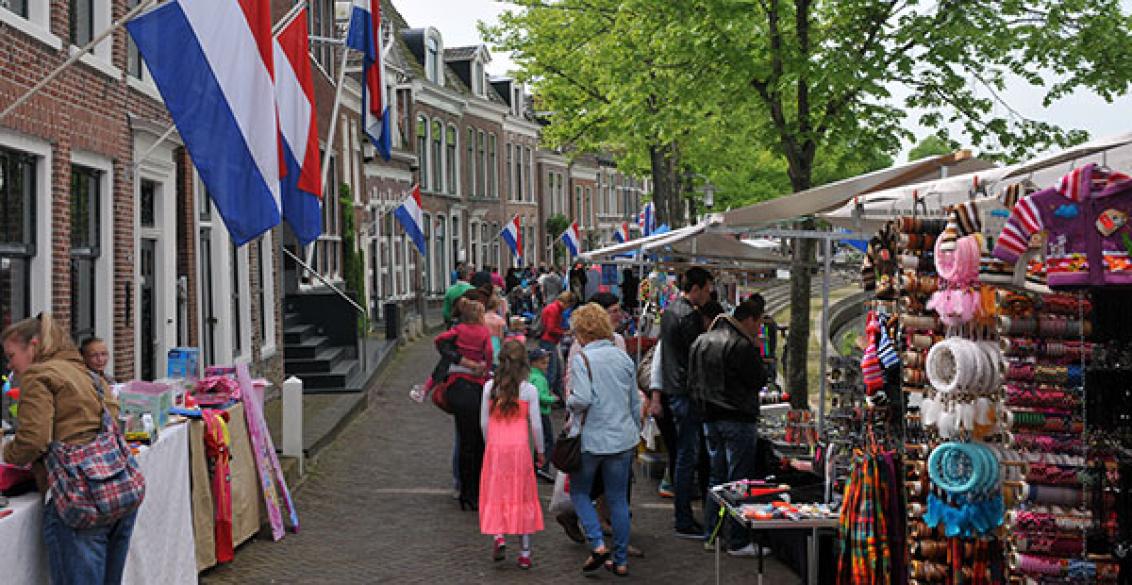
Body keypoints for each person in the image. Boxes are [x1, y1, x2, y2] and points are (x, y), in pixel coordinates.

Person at [2, 314, 139, 584]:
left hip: (80, 497)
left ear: (34, 345)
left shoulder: (38, 376)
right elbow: (112, 418)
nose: (10, 365)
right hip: (120, 492)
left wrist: (6, 451)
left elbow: (34, 439)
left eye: (11, 355)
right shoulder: (84, 371)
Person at [688, 296, 768, 557]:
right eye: (758, 324)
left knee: (717, 478)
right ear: (748, 320)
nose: (759, 330)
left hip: (710, 419)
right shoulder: (741, 345)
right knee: (738, 480)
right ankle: (737, 540)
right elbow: (758, 380)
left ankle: (712, 533)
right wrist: (756, 349)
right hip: (737, 418)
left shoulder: (701, 341)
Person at [566, 303, 641, 577]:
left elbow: (582, 399)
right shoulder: (623, 357)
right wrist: (635, 430)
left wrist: (570, 401)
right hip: (622, 437)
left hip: (592, 439)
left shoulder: (583, 359)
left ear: (583, 332)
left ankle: (597, 544)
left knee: (580, 492)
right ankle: (620, 559)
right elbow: (634, 401)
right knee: (618, 499)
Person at [655, 266, 713, 539]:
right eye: (708, 288)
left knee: (683, 455)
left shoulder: (670, 311)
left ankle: (684, 515)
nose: (710, 294)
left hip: (673, 390)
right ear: (698, 288)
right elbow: (697, 356)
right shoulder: (689, 316)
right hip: (687, 393)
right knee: (687, 456)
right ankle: (683, 518)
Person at [479, 341, 545, 569]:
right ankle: (525, 552)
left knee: (497, 493)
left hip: (497, 447)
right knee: (522, 495)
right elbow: (536, 424)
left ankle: (499, 535)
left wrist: (490, 444)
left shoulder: (490, 388)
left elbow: (484, 422)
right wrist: (540, 450)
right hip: (519, 448)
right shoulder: (529, 390)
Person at [435, 299, 494, 510]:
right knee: (478, 441)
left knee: (465, 439)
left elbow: (440, 341)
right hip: (475, 388)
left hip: (456, 388)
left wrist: (460, 360)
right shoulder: (484, 332)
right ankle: (475, 491)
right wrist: (481, 367)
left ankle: (464, 490)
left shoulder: (457, 330)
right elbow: (488, 354)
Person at [538, 291, 576, 398]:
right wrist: (564, 332)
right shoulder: (554, 310)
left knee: (556, 370)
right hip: (549, 341)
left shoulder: (554, 308)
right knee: (552, 371)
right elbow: (551, 329)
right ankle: (547, 395)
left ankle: (556, 395)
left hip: (550, 341)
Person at [527, 348, 556, 481]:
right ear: (534, 363)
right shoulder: (538, 378)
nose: (546, 366)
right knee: (548, 442)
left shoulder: (531, 376)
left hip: (537, 412)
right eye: (543, 363)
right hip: (542, 412)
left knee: (541, 441)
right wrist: (552, 399)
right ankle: (541, 467)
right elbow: (538, 396)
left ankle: (536, 466)